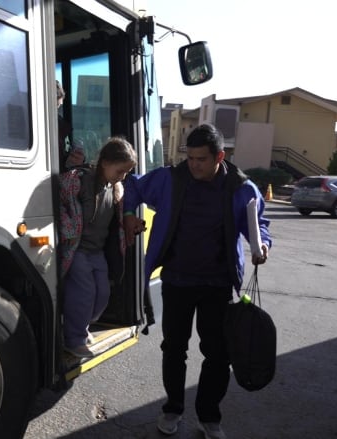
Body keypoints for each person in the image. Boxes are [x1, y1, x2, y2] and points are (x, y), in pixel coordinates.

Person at [122, 123, 271, 439]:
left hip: (217, 286)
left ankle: (209, 416)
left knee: (218, 354)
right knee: (173, 348)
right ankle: (173, 408)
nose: (194, 165)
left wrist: (264, 245)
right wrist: (129, 214)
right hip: (176, 281)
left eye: (201, 159)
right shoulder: (170, 179)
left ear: (220, 156)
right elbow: (132, 186)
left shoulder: (240, 187)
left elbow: (258, 221)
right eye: (190, 158)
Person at [58, 137, 137, 358]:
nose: (123, 177)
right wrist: (68, 230)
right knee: (84, 294)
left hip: (97, 251)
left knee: (102, 294)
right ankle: (73, 339)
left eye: (126, 173)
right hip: (78, 250)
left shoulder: (116, 188)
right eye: (120, 170)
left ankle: (79, 326)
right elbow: (58, 202)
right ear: (105, 162)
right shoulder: (80, 181)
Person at [56, 80, 85, 170]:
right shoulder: (61, 126)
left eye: (58, 107)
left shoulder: (63, 127)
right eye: (55, 106)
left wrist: (77, 160)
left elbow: (65, 155)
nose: (56, 112)